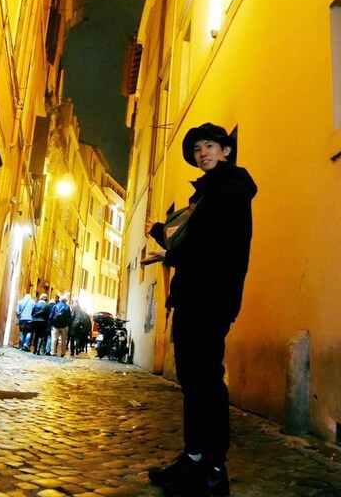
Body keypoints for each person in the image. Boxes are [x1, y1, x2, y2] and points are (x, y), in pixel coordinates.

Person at [144, 123, 257, 497]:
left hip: (210, 299)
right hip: (193, 296)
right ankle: (194, 459)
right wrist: (166, 240)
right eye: (197, 149)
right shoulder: (209, 192)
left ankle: (214, 470)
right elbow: (192, 237)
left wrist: (168, 250)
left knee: (206, 383)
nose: (202, 152)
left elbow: (210, 245)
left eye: (209, 145)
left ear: (226, 151)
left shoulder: (230, 190)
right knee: (193, 383)